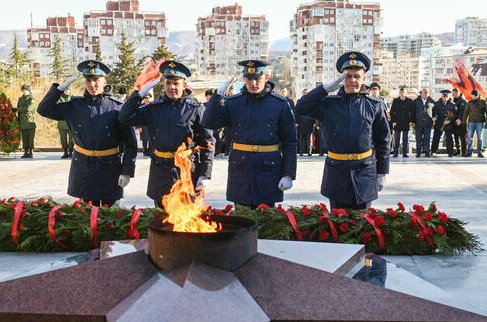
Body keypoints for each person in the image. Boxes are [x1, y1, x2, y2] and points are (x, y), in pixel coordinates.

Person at [295, 51, 390, 209]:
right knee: (337, 227)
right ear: (341, 79)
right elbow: (300, 108)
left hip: (364, 171)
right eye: (348, 76)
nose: (352, 80)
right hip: (337, 172)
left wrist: (382, 172)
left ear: (364, 78)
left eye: (356, 76)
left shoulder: (375, 105)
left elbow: (383, 141)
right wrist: (324, 89)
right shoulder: (328, 104)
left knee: (363, 226)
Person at [37, 60, 137, 207]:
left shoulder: (117, 108)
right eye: (88, 80)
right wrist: (59, 89)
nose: (92, 85)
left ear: (104, 81)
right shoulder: (75, 106)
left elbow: (130, 143)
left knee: (110, 215)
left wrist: (126, 171)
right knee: (86, 214)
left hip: (110, 167)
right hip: (84, 167)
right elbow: (43, 110)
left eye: (96, 80)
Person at [119, 60, 214, 208]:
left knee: (188, 219)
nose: (172, 87)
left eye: (176, 83)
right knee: (161, 219)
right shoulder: (153, 109)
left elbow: (208, 143)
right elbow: (124, 117)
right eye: (168, 83)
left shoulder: (195, 109)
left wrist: (205, 174)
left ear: (184, 84)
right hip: (161, 170)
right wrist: (139, 93)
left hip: (187, 169)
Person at [203, 59, 297, 207]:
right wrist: (218, 96)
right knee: (242, 220)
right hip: (241, 168)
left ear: (266, 78)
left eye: (257, 79)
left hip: (268, 169)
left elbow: (290, 142)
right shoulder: (233, 103)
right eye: (249, 79)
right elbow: (209, 123)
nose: (253, 84)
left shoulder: (279, 104)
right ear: (244, 79)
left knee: (266, 222)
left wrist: (288, 174)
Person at [462, 89, 486, 158]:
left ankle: (479, 152)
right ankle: (469, 152)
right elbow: (465, 113)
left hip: (480, 122)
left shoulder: (482, 102)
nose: (474, 96)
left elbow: (486, 111)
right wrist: (464, 122)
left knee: (480, 138)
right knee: (470, 138)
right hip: (471, 122)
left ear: (478, 95)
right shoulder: (469, 103)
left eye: (475, 95)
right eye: (473, 95)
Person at [412, 88, 436, 157]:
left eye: (427, 92)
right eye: (424, 92)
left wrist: (434, 119)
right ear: (421, 93)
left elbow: (434, 113)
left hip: (428, 123)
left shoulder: (432, 101)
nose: (426, 93)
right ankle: (418, 152)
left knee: (427, 138)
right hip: (418, 122)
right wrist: (413, 122)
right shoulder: (415, 101)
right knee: (418, 138)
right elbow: (413, 112)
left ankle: (427, 151)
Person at [389, 87, 412, 157]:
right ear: (399, 93)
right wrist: (393, 121)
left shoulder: (409, 101)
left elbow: (412, 112)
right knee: (397, 139)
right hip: (397, 123)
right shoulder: (395, 100)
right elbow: (392, 112)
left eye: (403, 92)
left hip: (406, 123)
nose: (402, 94)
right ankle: (396, 153)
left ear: (405, 93)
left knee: (405, 139)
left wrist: (410, 121)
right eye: (401, 92)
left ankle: (404, 153)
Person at [17, 84, 37, 159]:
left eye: (25, 90)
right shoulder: (20, 99)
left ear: (29, 90)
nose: (24, 91)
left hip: (30, 120)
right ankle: (25, 152)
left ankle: (30, 152)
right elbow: (19, 110)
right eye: (23, 90)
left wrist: (19, 108)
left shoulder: (32, 99)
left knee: (30, 138)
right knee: (24, 137)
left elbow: (29, 108)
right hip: (22, 120)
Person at [56, 87, 74, 158]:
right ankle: (65, 152)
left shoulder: (73, 98)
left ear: (70, 91)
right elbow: (58, 108)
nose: (67, 91)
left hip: (71, 122)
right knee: (63, 139)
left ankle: (70, 152)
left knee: (71, 138)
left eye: (68, 90)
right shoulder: (60, 98)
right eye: (65, 90)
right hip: (62, 122)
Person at [451, 88, 467, 156]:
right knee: (456, 137)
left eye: (454, 93)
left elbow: (462, 111)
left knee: (462, 138)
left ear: (457, 93)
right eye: (452, 93)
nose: (453, 94)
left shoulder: (462, 101)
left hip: (461, 122)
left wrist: (460, 119)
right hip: (455, 122)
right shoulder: (454, 101)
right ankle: (458, 150)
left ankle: (464, 152)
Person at [138, 91, 153, 157]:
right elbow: (138, 117)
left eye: (148, 98)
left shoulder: (152, 106)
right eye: (145, 98)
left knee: (151, 140)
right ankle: (145, 151)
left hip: (151, 125)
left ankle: (150, 151)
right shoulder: (140, 106)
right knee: (144, 140)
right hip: (143, 125)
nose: (147, 99)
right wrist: (139, 126)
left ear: (150, 98)